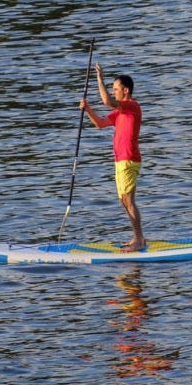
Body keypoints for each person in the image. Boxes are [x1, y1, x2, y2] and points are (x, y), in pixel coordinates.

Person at [80, 63, 145, 252]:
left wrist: (99, 78)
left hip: (129, 159)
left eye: (116, 89)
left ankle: (138, 239)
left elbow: (107, 101)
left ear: (125, 91)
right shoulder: (120, 112)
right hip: (120, 160)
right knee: (123, 200)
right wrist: (88, 109)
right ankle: (138, 237)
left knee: (128, 200)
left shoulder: (131, 106)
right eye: (113, 89)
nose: (113, 92)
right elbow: (100, 123)